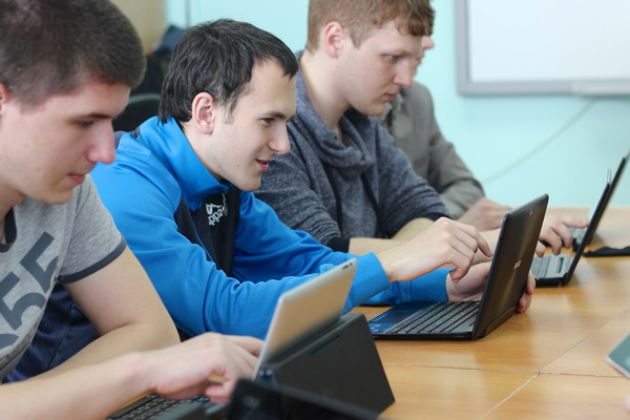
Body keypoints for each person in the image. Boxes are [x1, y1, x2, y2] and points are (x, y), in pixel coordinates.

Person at [89, 18, 522, 343]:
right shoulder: (126, 187)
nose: (283, 145)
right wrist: (392, 262)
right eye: (268, 121)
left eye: (286, 122)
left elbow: (311, 264)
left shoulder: (224, 180)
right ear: (205, 112)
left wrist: (444, 285)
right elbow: (223, 311)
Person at [0, 1, 261, 417]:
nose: (106, 152)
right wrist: (139, 373)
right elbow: (150, 357)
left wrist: (44, 404)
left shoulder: (68, 193)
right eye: (84, 122)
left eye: (110, 121)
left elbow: (152, 332)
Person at [256, 0, 586, 256]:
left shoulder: (360, 124)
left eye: (412, 60)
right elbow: (323, 256)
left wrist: (407, 255)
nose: (406, 80)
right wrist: (471, 244)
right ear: (335, 39)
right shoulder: (272, 134)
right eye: (392, 57)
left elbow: (424, 209)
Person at [380, 79, 511, 231]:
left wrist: (433, 219)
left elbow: (467, 187)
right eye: (391, 62)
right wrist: (438, 225)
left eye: (416, 64)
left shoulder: (417, 98)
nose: (406, 79)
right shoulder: (360, 114)